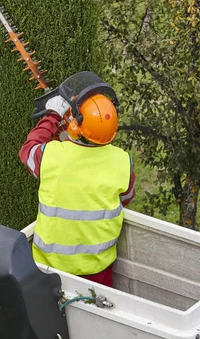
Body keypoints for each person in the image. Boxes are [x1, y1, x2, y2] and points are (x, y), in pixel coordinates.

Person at [19, 75, 135, 287]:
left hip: (49, 268)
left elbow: (28, 150)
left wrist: (52, 116)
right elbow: (126, 198)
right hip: (98, 267)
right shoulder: (123, 162)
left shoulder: (51, 156)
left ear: (76, 126)